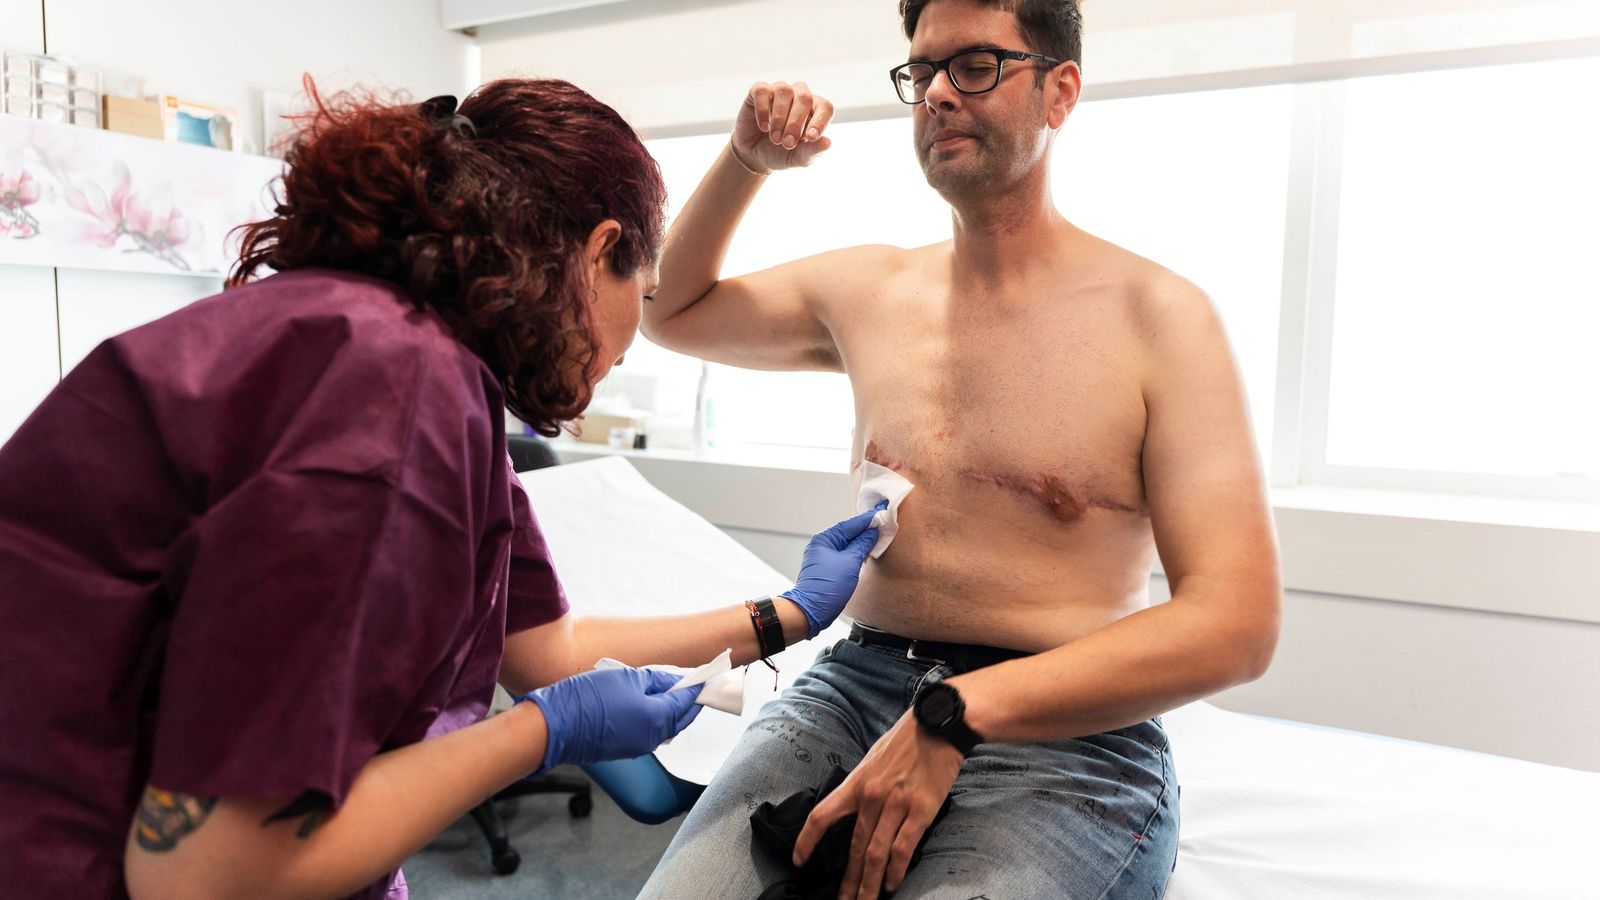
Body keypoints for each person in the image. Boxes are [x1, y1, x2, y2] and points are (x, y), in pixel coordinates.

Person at [0, 79, 878, 900]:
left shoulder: (391, 350)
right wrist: (541, 734)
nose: (625, 349)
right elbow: (203, 871)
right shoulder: (393, 394)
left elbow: (547, 651)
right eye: (639, 296)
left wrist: (790, 611)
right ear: (597, 253)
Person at [638, 1, 1283, 897]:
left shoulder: (1160, 319)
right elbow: (665, 309)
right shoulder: (867, 290)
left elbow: (1237, 626)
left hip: (1065, 737)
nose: (937, 93)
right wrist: (746, 162)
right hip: (852, 691)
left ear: (1061, 91)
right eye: (922, 70)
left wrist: (956, 714)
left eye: (975, 64)